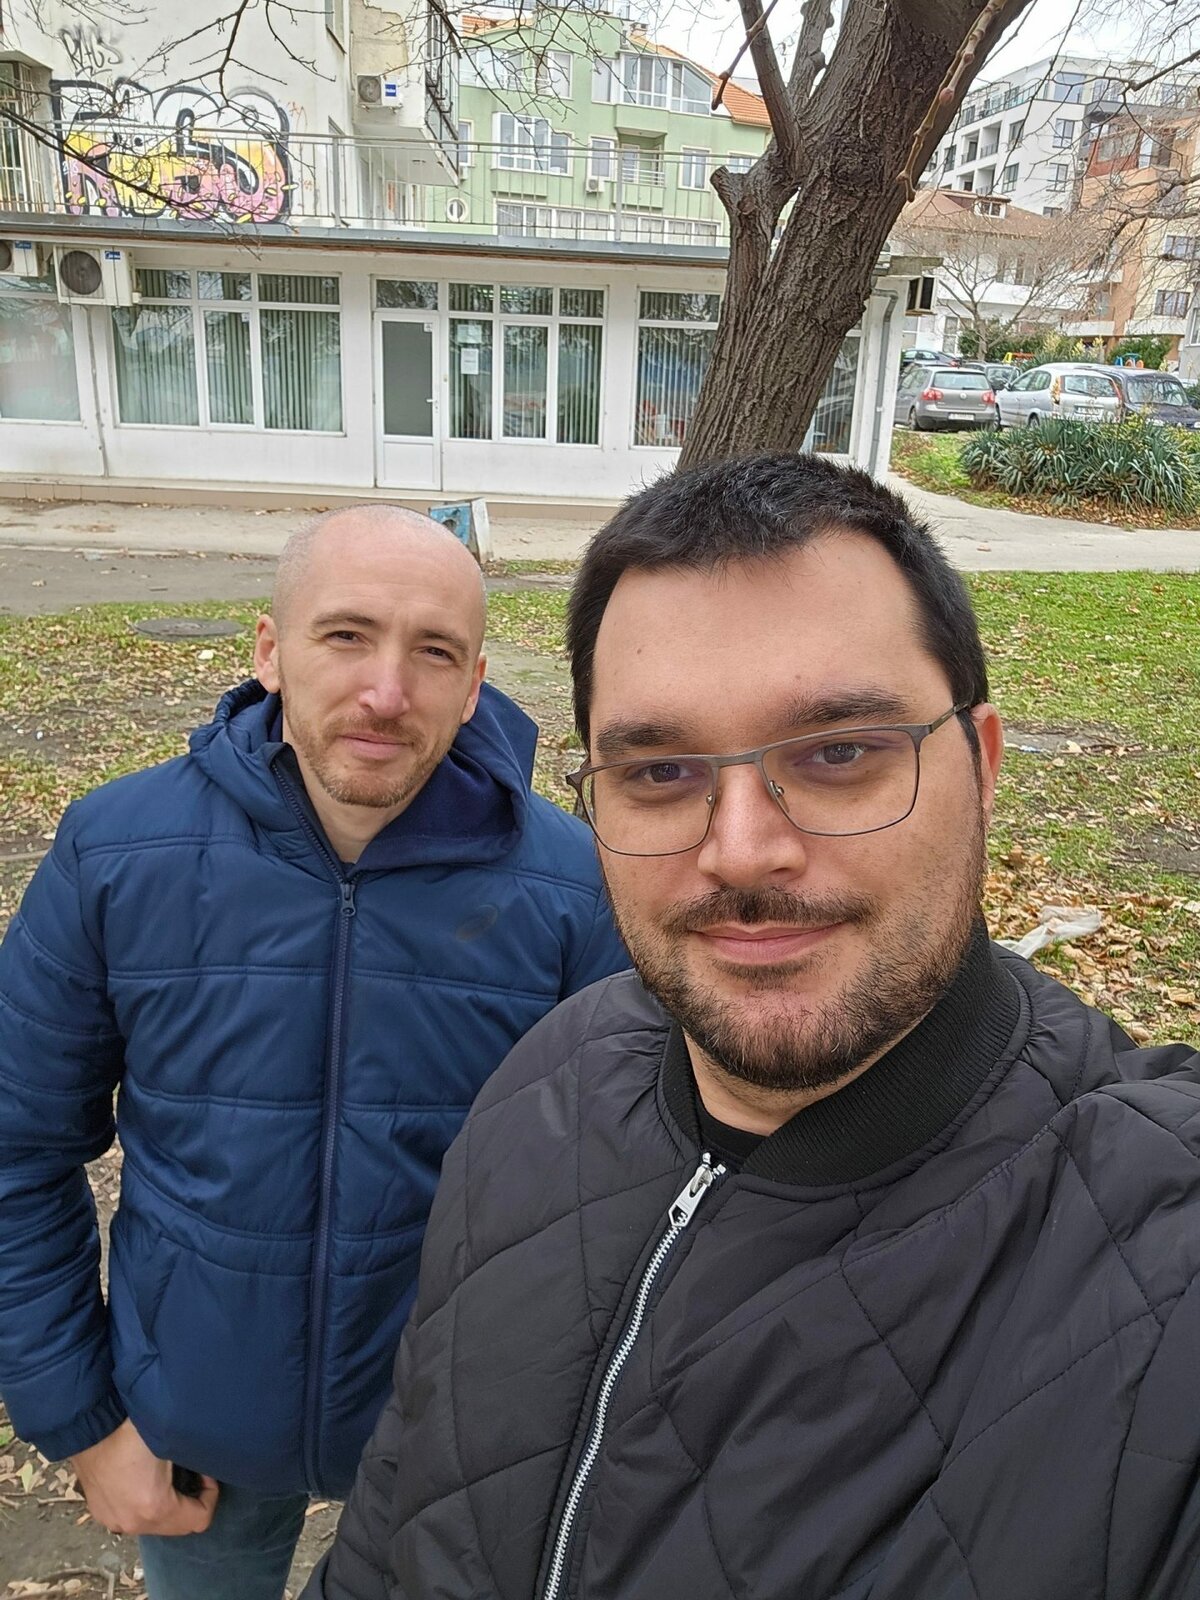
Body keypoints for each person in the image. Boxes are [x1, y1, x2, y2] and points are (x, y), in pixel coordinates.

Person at [313, 457, 1200, 1600]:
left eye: (839, 754)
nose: (740, 850)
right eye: (660, 771)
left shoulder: (1156, 1256)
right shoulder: (543, 1081)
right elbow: (396, 1516)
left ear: (981, 768)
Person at [0, 505, 627, 1599]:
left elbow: (624, 1194)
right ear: (269, 650)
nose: (387, 691)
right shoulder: (117, 855)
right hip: (195, 1431)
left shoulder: (574, 887)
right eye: (346, 635)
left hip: (458, 1448)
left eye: (434, 652)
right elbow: (16, 1148)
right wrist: (83, 1421)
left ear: (475, 684)